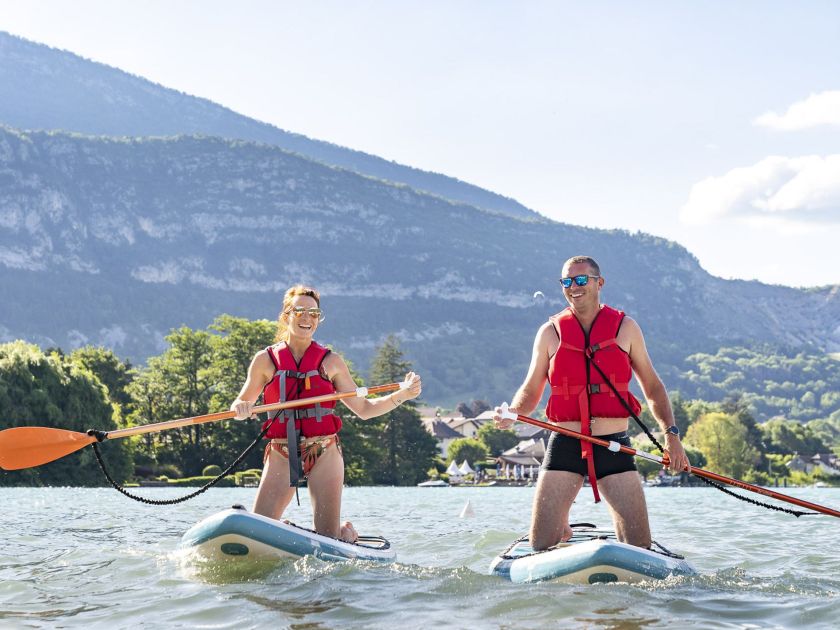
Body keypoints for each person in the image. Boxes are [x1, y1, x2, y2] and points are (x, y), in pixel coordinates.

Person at [494, 256, 688, 550]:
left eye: (582, 280)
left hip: (613, 445)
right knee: (540, 545)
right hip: (565, 443)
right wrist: (514, 412)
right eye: (567, 281)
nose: (574, 287)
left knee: (639, 546)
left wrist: (671, 436)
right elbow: (531, 389)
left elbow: (653, 387)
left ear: (600, 283)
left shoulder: (626, 328)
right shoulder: (550, 333)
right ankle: (562, 529)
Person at [231, 285, 422, 543]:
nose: (307, 318)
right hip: (281, 452)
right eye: (299, 311)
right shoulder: (265, 360)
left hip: (324, 451)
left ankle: (345, 533)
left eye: (314, 313)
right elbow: (241, 403)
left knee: (329, 538)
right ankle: (288, 529)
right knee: (258, 532)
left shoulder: (331, 362)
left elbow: (364, 409)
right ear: (286, 315)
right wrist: (241, 408)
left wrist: (403, 395)